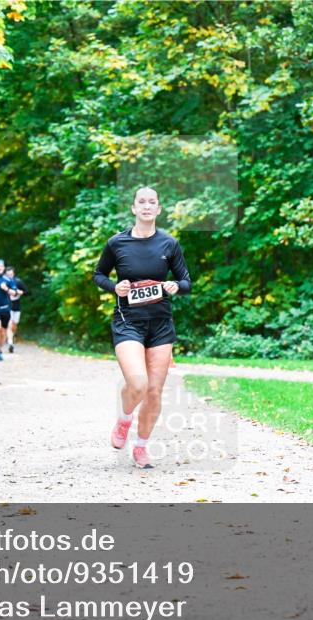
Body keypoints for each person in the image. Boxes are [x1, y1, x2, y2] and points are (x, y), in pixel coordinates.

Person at [92, 186, 191, 469]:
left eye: (152, 202)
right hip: (128, 322)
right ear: (134, 208)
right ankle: (124, 421)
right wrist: (115, 286)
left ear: (158, 209)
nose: (147, 206)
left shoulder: (169, 244)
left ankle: (141, 447)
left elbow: (186, 282)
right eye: (141, 202)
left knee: (154, 392)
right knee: (138, 383)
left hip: (161, 325)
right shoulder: (117, 243)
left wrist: (175, 286)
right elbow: (98, 275)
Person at [4, 266, 29, 354]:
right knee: (9, 325)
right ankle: (10, 343)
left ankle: (11, 337)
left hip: (16, 306)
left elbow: (27, 292)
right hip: (7, 305)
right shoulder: (3, 283)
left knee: (14, 325)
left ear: (13, 274)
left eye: (10, 274)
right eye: (7, 274)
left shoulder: (18, 281)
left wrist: (20, 292)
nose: (9, 276)